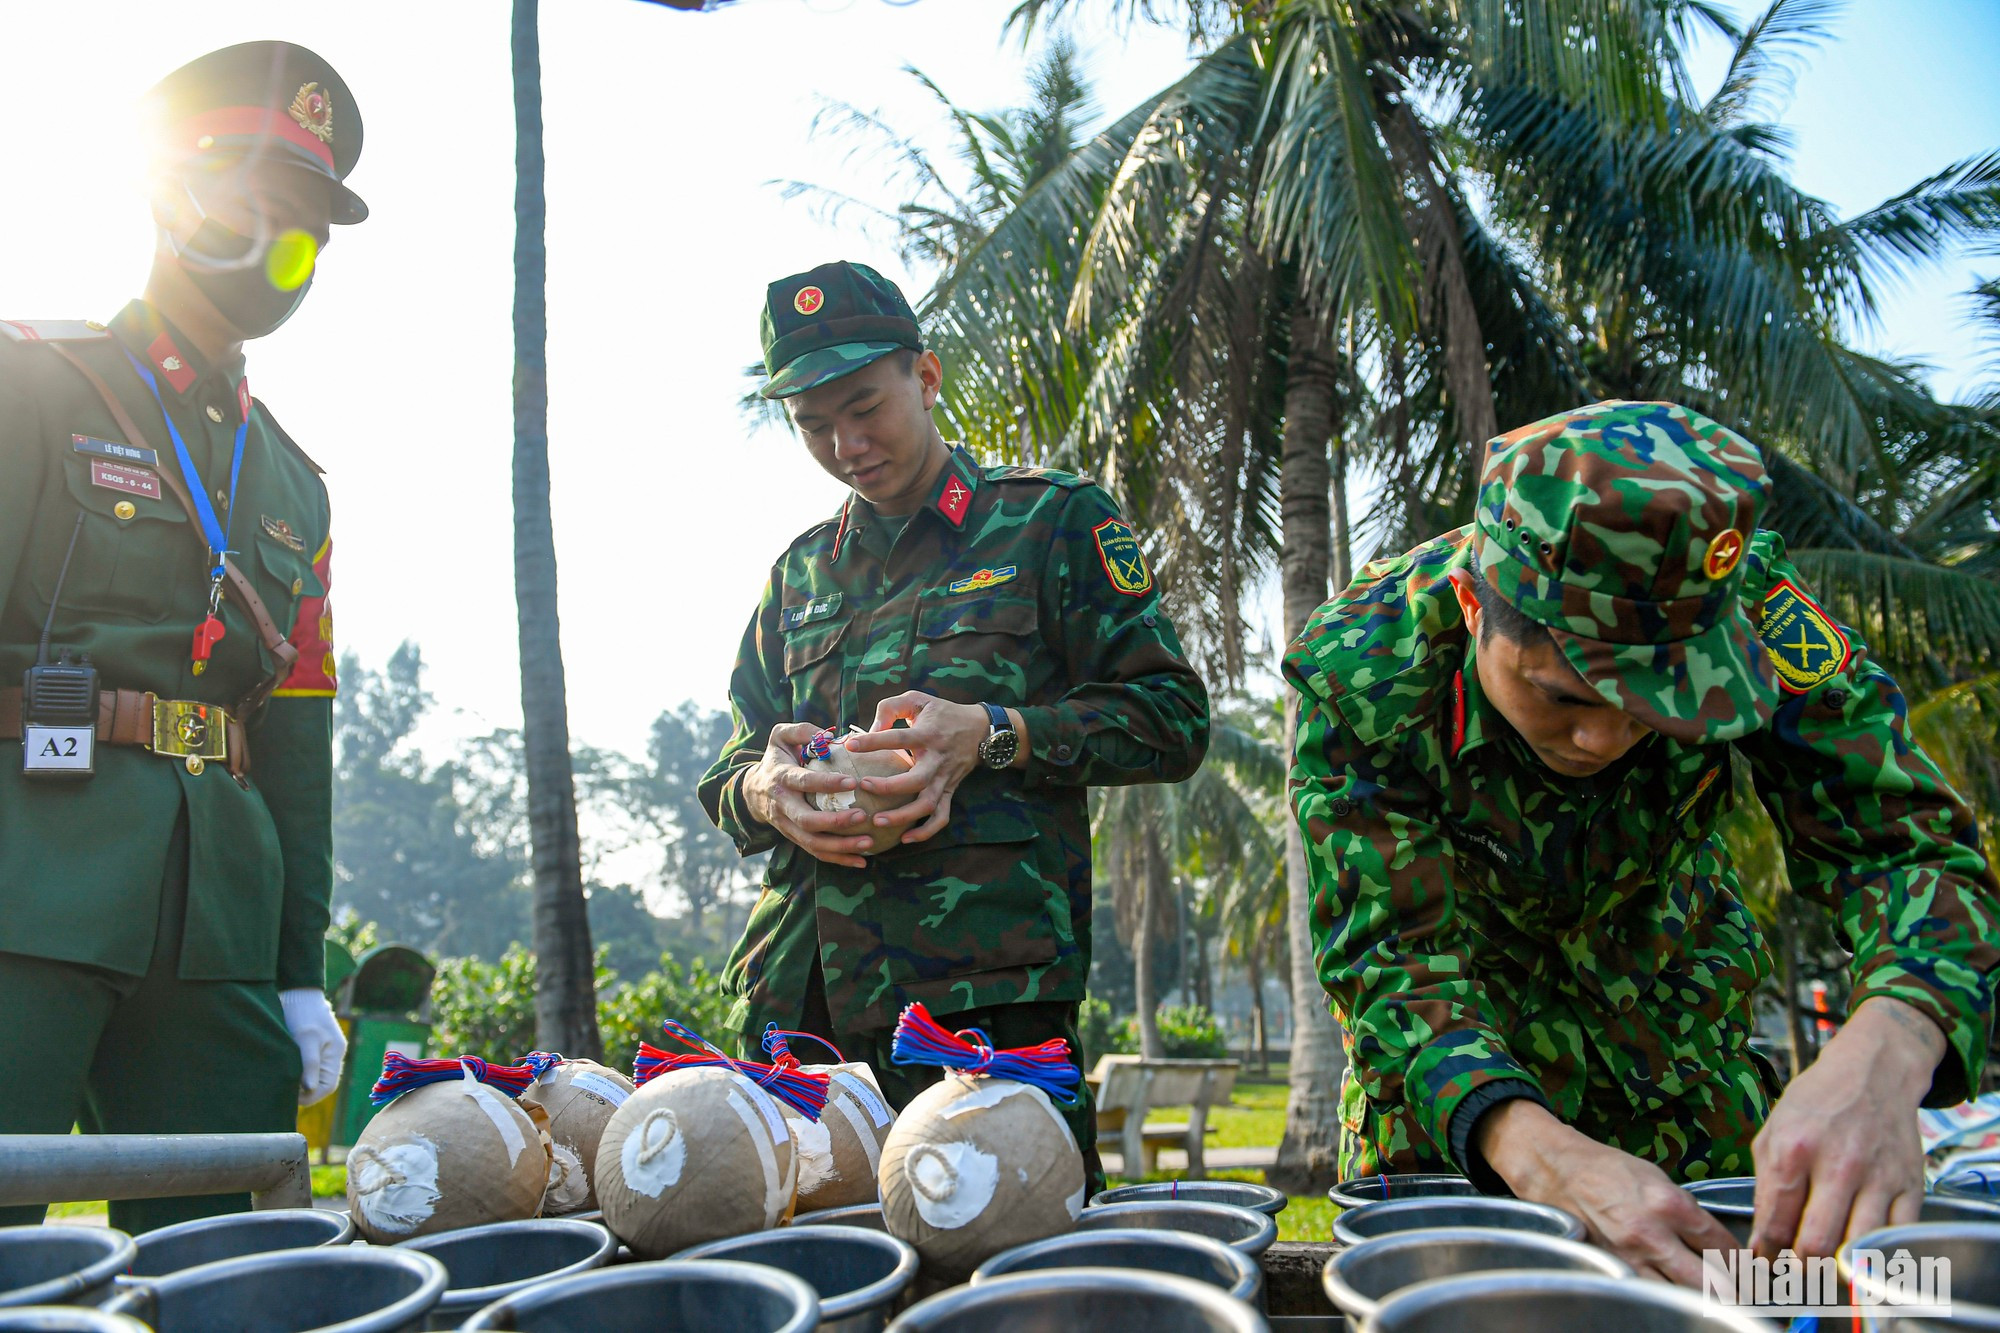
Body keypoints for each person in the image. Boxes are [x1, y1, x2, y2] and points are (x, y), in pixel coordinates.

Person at [1286, 400, 2000, 1285]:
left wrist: (1891, 1045)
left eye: (1664, 703)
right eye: (1565, 696)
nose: (1606, 738)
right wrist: (1530, 1144)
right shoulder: (1366, 668)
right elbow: (1391, 960)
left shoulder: (1763, 621)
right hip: (1455, 1122)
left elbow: (1910, 851)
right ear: (1474, 604)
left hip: (1683, 1077)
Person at [698, 260, 1210, 1182]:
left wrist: (994, 731)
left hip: (986, 1009)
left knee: (1021, 1280)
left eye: (865, 406)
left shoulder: (1049, 524)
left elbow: (1172, 718)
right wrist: (766, 789)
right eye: (812, 425)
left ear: (924, 378)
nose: (846, 443)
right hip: (804, 1011)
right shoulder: (798, 576)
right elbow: (731, 766)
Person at [0, 41, 366, 1231]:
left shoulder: (295, 485)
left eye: (303, 219)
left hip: (216, 917)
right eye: (248, 198)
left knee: (228, 1257)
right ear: (170, 197)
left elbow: (299, 740)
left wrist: (297, 966)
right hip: (28, 881)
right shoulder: (35, 386)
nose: (275, 238)